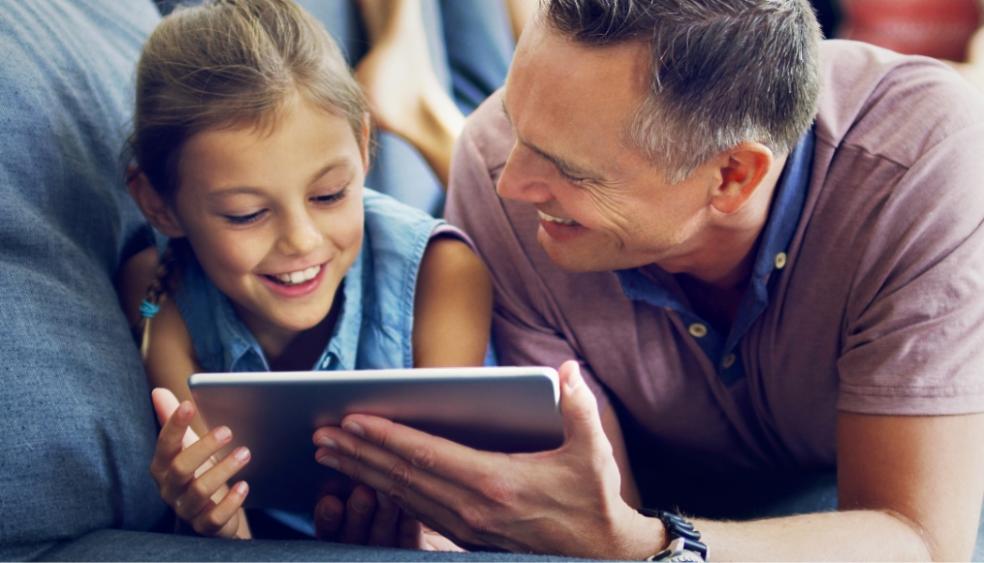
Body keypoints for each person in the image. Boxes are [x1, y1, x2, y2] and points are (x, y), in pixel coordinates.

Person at [310, 0, 984, 560]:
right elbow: (586, 509)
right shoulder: (495, 169)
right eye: (518, 128)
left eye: (569, 169)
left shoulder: (922, 165)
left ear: (733, 175)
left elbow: (921, 537)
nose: (513, 182)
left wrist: (650, 542)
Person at [118, 0, 491, 543]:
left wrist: (422, 537)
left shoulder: (443, 270)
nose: (301, 240)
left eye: (329, 194)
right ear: (158, 205)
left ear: (363, 147)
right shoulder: (158, 293)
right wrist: (212, 520)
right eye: (246, 214)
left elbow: (450, 509)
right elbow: (227, 526)